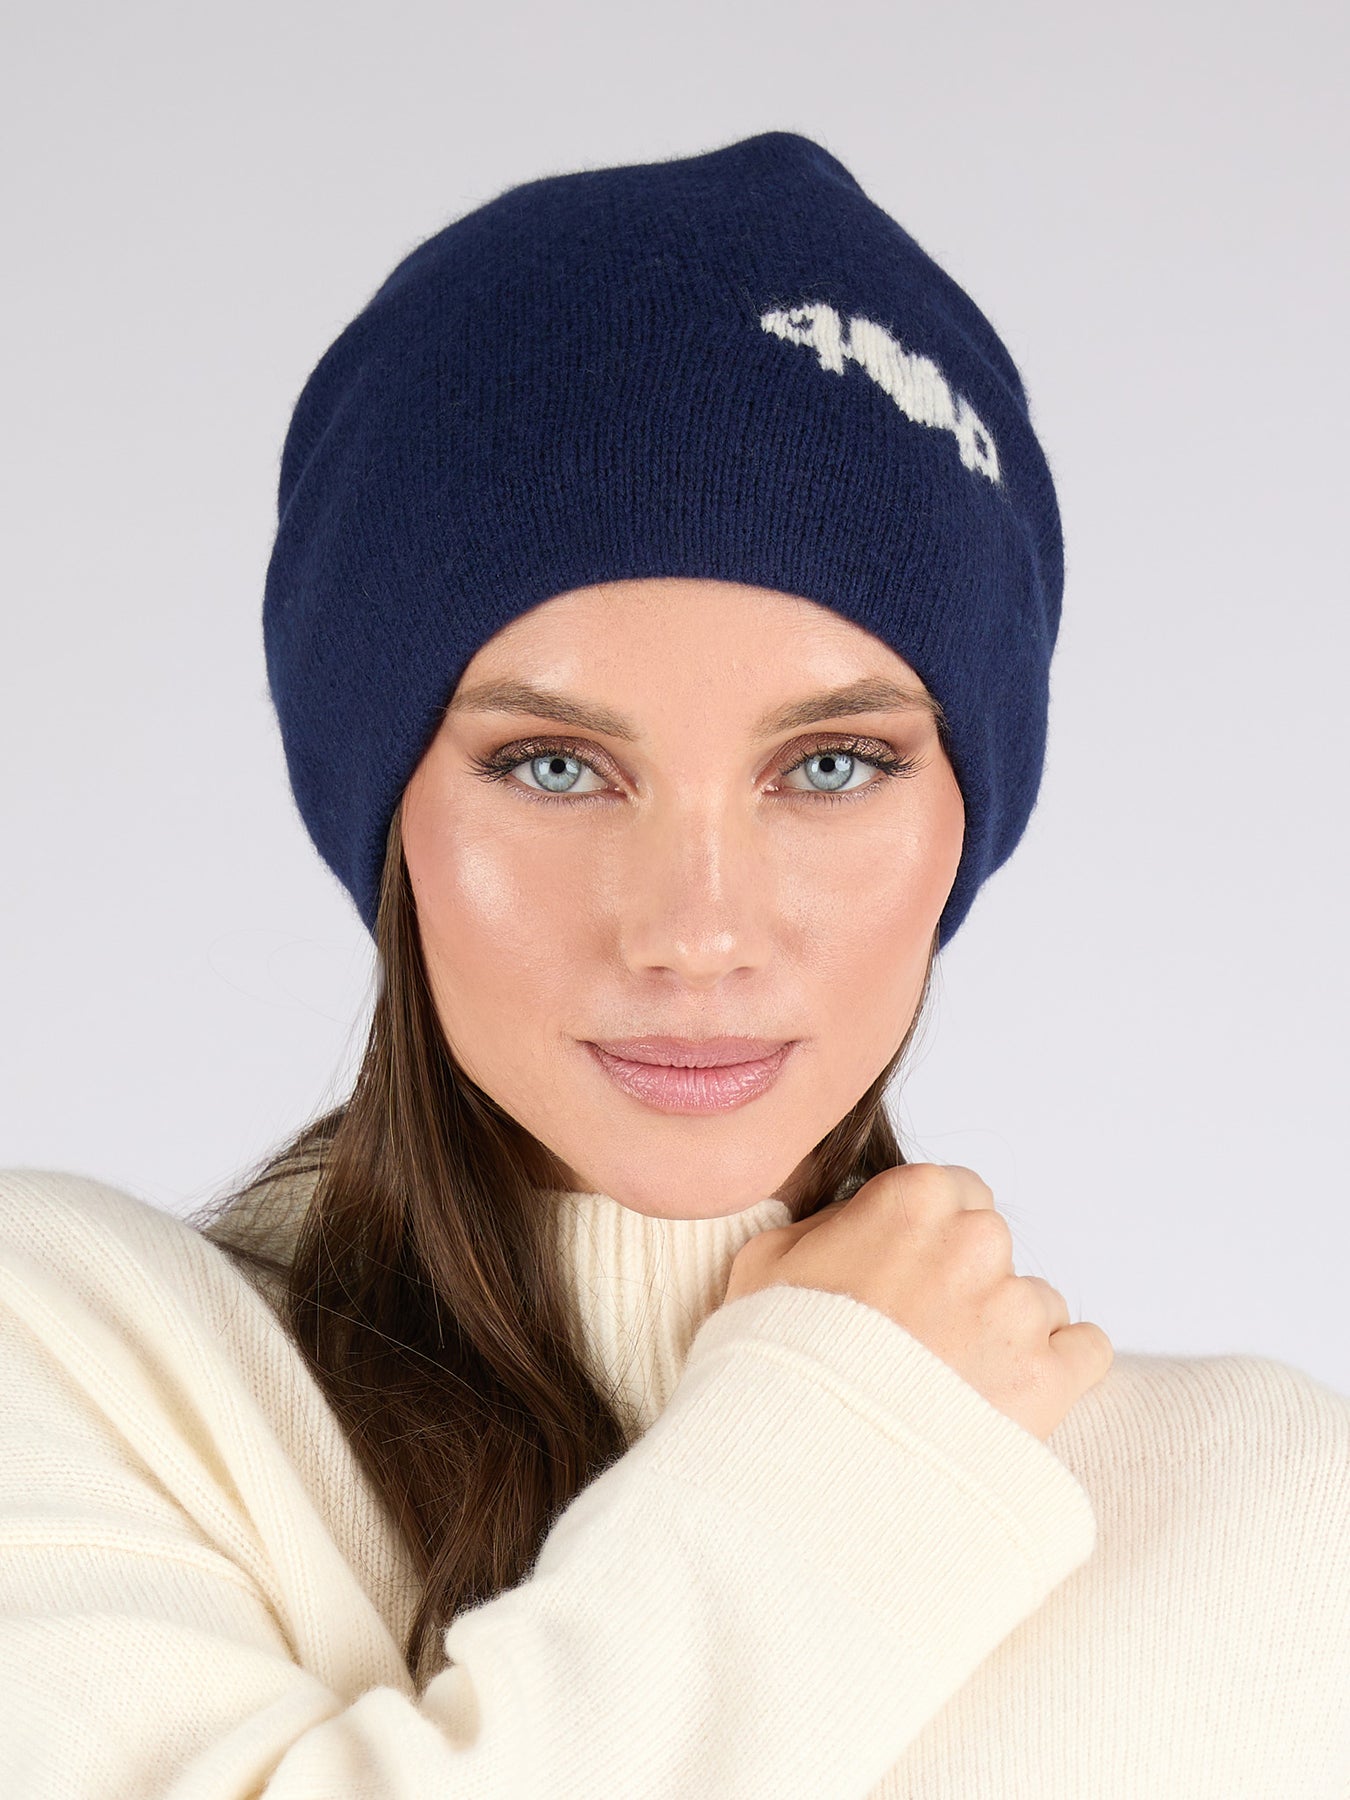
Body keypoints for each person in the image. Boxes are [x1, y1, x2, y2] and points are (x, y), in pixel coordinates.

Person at [0, 129, 1345, 1798]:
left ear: (966, 822)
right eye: (555, 766)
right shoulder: (90, 1375)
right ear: (387, 810)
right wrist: (835, 1448)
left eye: (832, 765)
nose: (696, 931)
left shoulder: (1266, 1524)